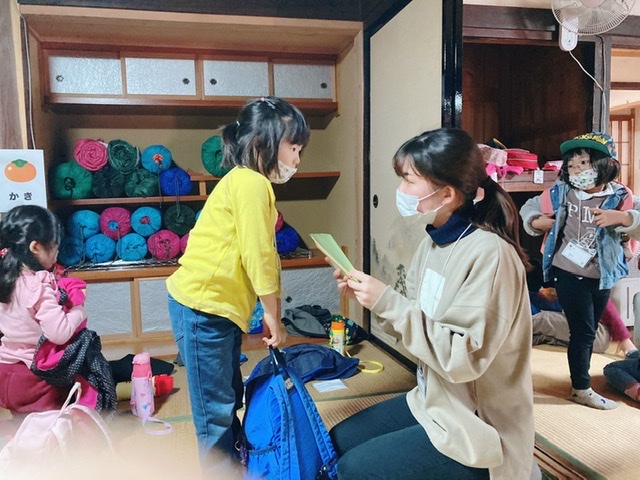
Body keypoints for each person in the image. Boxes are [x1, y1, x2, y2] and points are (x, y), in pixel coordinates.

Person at [329, 128, 537, 479]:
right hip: (433, 400)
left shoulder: (491, 255)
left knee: (354, 469)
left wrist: (387, 302)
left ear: (447, 193)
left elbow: (462, 360)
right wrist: (374, 300)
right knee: (338, 440)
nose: (400, 189)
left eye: (409, 180)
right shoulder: (432, 244)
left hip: (477, 427)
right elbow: (420, 328)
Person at [166, 96, 310, 476]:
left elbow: (265, 257)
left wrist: (271, 309)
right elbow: (257, 254)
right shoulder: (250, 183)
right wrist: (273, 315)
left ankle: (236, 466)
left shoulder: (249, 183)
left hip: (215, 307)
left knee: (227, 396)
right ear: (263, 142)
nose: (297, 160)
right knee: (215, 412)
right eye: (293, 148)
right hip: (201, 306)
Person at [520, 132, 640, 410]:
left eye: (583, 164)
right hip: (567, 270)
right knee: (584, 332)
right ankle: (581, 388)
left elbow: (635, 222)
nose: (576, 171)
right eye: (572, 166)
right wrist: (536, 221)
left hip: (602, 275)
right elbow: (530, 207)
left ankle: (580, 384)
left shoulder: (621, 196)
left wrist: (623, 218)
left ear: (605, 164)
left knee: (592, 330)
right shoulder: (561, 192)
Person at [0, 205, 115, 413]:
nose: (57, 252)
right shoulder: (38, 286)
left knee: (24, 426)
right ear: (36, 247)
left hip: (5, 372)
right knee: (87, 353)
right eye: (54, 246)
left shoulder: (6, 280)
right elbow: (59, 333)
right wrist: (78, 308)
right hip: (35, 379)